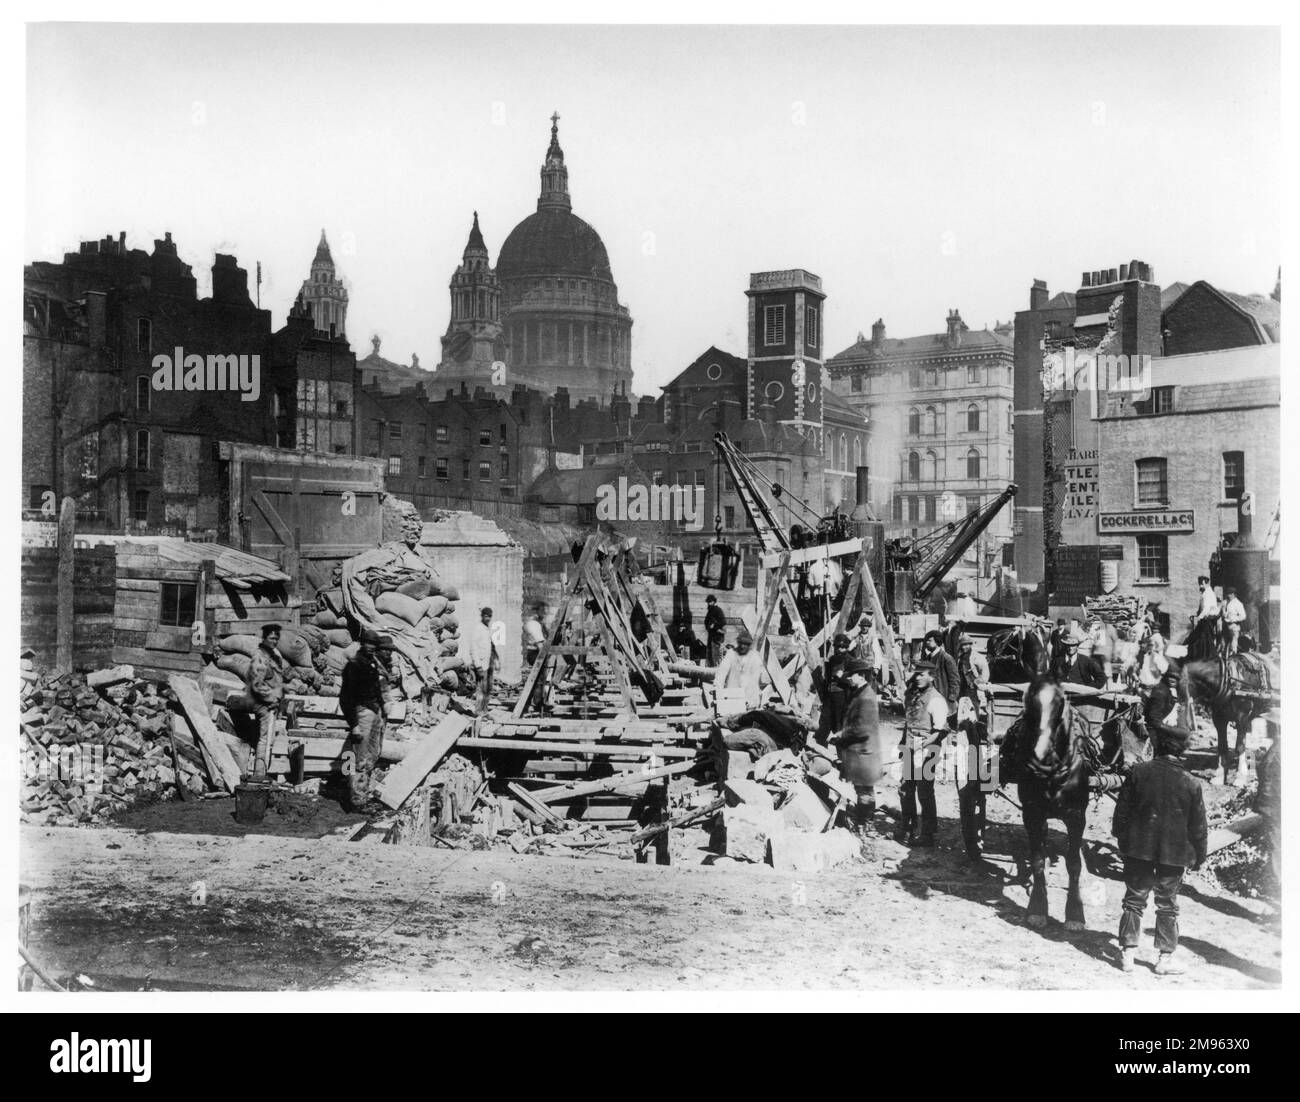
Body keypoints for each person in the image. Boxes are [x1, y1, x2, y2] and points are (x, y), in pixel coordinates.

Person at [1112, 700, 1208, 976]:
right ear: (1182, 751)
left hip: (1138, 849)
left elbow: (1121, 814)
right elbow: (1198, 827)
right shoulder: (1192, 783)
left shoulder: (1138, 773)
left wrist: (1124, 842)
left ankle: (1127, 954)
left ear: (1159, 746)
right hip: (1174, 854)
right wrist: (1199, 855)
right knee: (1167, 903)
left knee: (1133, 899)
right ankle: (1164, 960)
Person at [896, 661, 949, 847]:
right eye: (916, 674)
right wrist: (904, 744)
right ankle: (907, 827)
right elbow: (908, 723)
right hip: (910, 747)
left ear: (932, 677)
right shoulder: (911, 695)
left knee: (924, 791)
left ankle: (927, 834)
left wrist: (924, 745)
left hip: (928, 750)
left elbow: (941, 731)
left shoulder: (936, 700)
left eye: (922, 674)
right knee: (905, 788)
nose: (918, 677)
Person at [830, 658, 885, 836]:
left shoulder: (866, 697)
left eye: (851, 676)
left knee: (865, 791)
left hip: (864, 752)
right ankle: (865, 823)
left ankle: (866, 825)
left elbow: (862, 729)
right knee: (863, 789)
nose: (849, 679)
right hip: (861, 751)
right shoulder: (860, 693)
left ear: (860, 676)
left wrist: (841, 735)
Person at [340, 628, 392, 810]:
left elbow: (376, 688)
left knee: (372, 755)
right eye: (368, 643)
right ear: (362, 643)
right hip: (361, 713)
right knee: (359, 758)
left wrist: (382, 703)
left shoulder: (371, 663)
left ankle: (364, 794)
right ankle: (357, 799)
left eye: (374, 644)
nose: (371, 647)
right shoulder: (354, 665)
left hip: (374, 711)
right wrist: (353, 724)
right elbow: (346, 698)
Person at [954, 634, 991, 859]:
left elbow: (985, 674)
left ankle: (979, 738)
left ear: (972, 646)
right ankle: (970, 737)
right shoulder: (960, 660)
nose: (966, 647)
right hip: (964, 694)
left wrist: (979, 683)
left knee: (978, 720)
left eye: (968, 644)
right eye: (963, 645)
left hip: (977, 693)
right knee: (966, 721)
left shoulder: (978, 658)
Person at [246, 623, 287, 778]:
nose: (274, 641)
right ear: (264, 638)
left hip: (272, 703)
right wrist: (271, 699)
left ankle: (264, 771)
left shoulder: (274, 656)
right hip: (262, 703)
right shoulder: (260, 657)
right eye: (271, 638)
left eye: (276, 639)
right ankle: (259, 775)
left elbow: (277, 680)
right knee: (264, 739)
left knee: (269, 738)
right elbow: (257, 685)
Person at [714, 629, 769, 710]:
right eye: (741, 643)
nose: (743, 646)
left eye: (746, 644)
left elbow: (761, 678)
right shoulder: (731, 654)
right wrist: (718, 692)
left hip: (750, 699)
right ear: (738, 643)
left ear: (750, 645)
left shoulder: (755, 657)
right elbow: (721, 674)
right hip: (733, 697)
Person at [815, 633, 853, 745]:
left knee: (839, 726)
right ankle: (819, 749)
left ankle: (843, 754)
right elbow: (827, 679)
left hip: (842, 697)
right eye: (837, 647)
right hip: (829, 697)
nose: (839, 649)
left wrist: (842, 677)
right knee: (824, 725)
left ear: (846, 647)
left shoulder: (850, 661)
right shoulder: (831, 660)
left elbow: (853, 681)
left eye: (842, 647)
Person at [458, 607, 497, 714]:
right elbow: (473, 648)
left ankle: (485, 710)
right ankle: (479, 711)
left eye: (489, 616)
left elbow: (491, 647)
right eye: (486, 616)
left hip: (488, 663)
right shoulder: (478, 629)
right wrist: (478, 665)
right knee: (481, 689)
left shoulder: (487, 628)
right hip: (481, 664)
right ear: (482, 616)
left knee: (488, 688)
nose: (488, 618)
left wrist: (496, 661)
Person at [920, 630, 959, 718]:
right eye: (927, 640)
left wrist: (952, 698)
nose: (927, 642)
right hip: (930, 697)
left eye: (930, 640)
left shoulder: (946, 658)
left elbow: (955, 680)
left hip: (943, 696)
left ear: (937, 642)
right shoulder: (929, 657)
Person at [1220, 586, 1247, 655]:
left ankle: (1232, 658)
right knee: (1223, 643)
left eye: (1229, 594)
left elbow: (1243, 616)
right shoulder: (1225, 602)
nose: (1228, 595)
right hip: (1225, 625)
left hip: (1234, 626)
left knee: (1233, 644)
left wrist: (1234, 619)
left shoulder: (1238, 604)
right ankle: (1224, 660)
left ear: (1233, 594)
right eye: (1227, 594)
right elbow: (1220, 612)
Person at [704, 595, 727, 667]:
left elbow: (723, 622)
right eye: (708, 602)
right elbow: (706, 621)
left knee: (717, 656)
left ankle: (717, 672)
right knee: (710, 656)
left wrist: (714, 626)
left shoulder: (718, 610)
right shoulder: (710, 611)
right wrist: (708, 627)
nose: (709, 603)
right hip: (711, 636)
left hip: (717, 637)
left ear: (714, 602)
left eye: (710, 602)